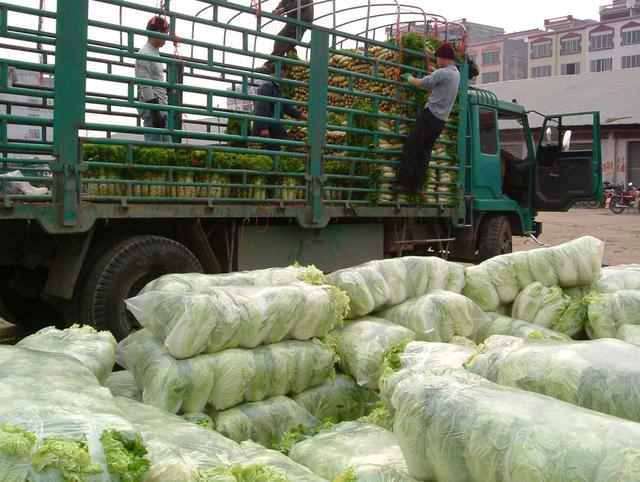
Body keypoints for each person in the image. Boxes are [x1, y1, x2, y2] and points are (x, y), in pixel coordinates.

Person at [398, 42, 461, 194]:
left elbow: (422, 83)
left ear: (444, 58)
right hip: (440, 121)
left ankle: (404, 183)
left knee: (412, 146)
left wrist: (409, 78)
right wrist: (433, 71)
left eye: (438, 58)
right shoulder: (455, 73)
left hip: (430, 116)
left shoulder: (443, 73)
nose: (437, 61)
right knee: (425, 151)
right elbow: (438, 78)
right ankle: (417, 186)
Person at [252, 63, 306, 149]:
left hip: (274, 126)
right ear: (281, 71)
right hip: (269, 128)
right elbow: (262, 107)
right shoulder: (267, 85)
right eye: (286, 72)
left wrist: (300, 115)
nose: (286, 75)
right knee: (273, 150)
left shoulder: (275, 86)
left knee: (280, 148)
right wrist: (263, 128)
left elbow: (285, 106)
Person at [136, 16, 171, 143]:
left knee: (165, 150)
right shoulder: (145, 53)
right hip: (153, 108)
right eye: (165, 33)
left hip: (160, 107)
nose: (166, 37)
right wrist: (155, 111)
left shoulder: (154, 52)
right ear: (157, 32)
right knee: (155, 149)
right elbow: (145, 84)